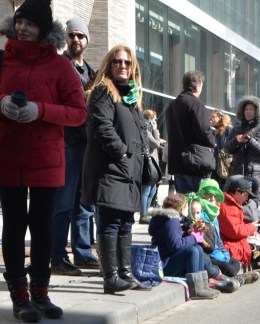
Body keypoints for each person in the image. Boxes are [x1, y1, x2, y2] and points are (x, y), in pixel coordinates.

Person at [0, 2, 87, 320]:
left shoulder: (60, 66)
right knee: (12, 226)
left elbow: (79, 113)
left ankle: (41, 293)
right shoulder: (2, 60)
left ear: (44, 30)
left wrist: (41, 110)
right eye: (19, 21)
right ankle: (20, 298)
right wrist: (2, 103)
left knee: (42, 226)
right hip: (8, 154)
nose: (22, 27)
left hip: (47, 158)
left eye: (30, 24)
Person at [82, 44, 150, 294]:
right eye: (117, 62)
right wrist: (122, 152)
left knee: (125, 223)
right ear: (109, 65)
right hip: (110, 168)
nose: (123, 66)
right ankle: (110, 277)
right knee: (110, 223)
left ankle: (126, 274)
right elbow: (102, 128)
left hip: (128, 171)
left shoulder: (131, 97)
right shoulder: (103, 92)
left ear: (134, 68)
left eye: (127, 63)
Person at [50, 17, 100, 277]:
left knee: (84, 205)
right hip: (67, 144)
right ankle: (57, 256)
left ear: (87, 40)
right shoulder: (60, 66)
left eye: (81, 35)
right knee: (63, 204)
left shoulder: (91, 72)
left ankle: (82, 252)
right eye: (72, 35)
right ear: (66, 39)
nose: (76, 39)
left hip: (87, 145)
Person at [147, 194, 219, 300]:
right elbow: (175, 245)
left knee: (198, 249)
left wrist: (187, 233)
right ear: (180, 208)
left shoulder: (169, 219)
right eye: (186, 206)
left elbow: (172, 239)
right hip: (163, 265)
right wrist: (194, 238)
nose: (187, 208)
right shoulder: (172, 221)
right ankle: (195, 289)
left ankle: (202, 286)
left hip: (165, 259)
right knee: (192, 251)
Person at [166, 70, 216, 193]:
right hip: (196, 163)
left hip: (178, 163)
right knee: (199, 206)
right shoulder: (196, 104)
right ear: (197, 86)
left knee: (183, 205)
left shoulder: (172, 105)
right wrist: (213, 143)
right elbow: (204, 131)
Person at [225, 95, 260, 205]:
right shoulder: (235, 129)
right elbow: (227, 149)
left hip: (257, 178)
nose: (248, 112)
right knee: (234, 206)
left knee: (254, 210)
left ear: (257, 111)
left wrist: (251, 141)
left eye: (251, 109)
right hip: (237, 175)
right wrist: (236, 141)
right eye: (246, 109)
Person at [139, 109, 165, 224]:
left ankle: (146, 213)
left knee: (153, 191)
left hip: (154, 165)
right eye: (154, 118)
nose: (155, 120)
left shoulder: (149, 130)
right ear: (149, 118)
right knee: (146, 190)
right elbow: (155, 144)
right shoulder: (145, 131)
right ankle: (143, 215)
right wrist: (155, 130)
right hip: (148, 165)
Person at [211, 109, 233, 189]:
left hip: (224, 166)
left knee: (223, 188)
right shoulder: (215, 132)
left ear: (220, 118)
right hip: (216, 165)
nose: (211, 119)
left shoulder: (228, 130)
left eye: (213, 117)